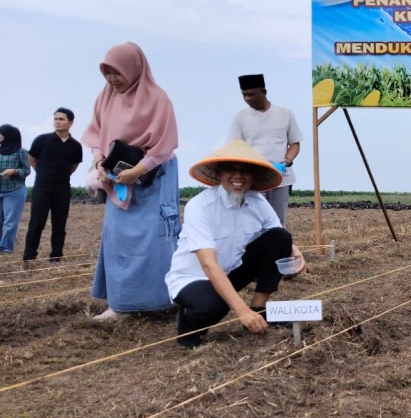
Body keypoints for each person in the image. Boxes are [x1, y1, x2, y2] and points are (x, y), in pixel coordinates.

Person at [165, 139, 306, 348]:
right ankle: (187, 321)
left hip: (232, 271)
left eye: (245, 170)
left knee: (280, 237)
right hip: (194, 277)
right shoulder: (200, 206)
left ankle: (259, 310)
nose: (238, 176)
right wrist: (242, 311)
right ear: (219, 174)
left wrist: (295, 253)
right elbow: (208, 265)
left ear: (253, 176)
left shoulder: (258, 202)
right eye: (231, 169)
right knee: (214, 306)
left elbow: (277, 233)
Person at [82, 42, 181, 321]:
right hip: (117, 176)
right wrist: (100, 160)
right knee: (117, 238)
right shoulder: (106, 97)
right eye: (107, 73)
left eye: (117, 73)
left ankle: (160, 301)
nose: (112, 79)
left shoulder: (159, 100)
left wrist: (138, 171)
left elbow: (164, 146)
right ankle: (121, 304)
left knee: (153, 240)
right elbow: (96, 136)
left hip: (154, 177)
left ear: (134, 69)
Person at [228, 74, 303, 226]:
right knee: (253, 222)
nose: (248, 98)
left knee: (277, 222)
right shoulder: (240, 117)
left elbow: (295, 143)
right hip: (253, 179)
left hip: (281, 177)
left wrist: (287, 160)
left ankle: (277, 249)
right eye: (245, 95)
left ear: (264, 92)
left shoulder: (285, 113)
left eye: (252, 94)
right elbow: (235, 147)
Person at [22, 108, 83, 263]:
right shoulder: (42, 140)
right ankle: (29, 256)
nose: (57, 122)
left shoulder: (76, 146)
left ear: (70, 122)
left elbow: (74, 165)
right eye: (55, 119)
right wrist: (42, 172)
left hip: (62, 189)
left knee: (59, 224)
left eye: (61, 119)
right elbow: (32, 158)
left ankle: (56, 256)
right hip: (42, 188)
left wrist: (62, 175)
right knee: (36, 223)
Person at [0, 125, 31, 254]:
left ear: (9, 135)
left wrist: (14, 171)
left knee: (10, 222)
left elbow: (27, 170)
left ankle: (5, 248)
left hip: (15, 190)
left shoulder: (21, 152)